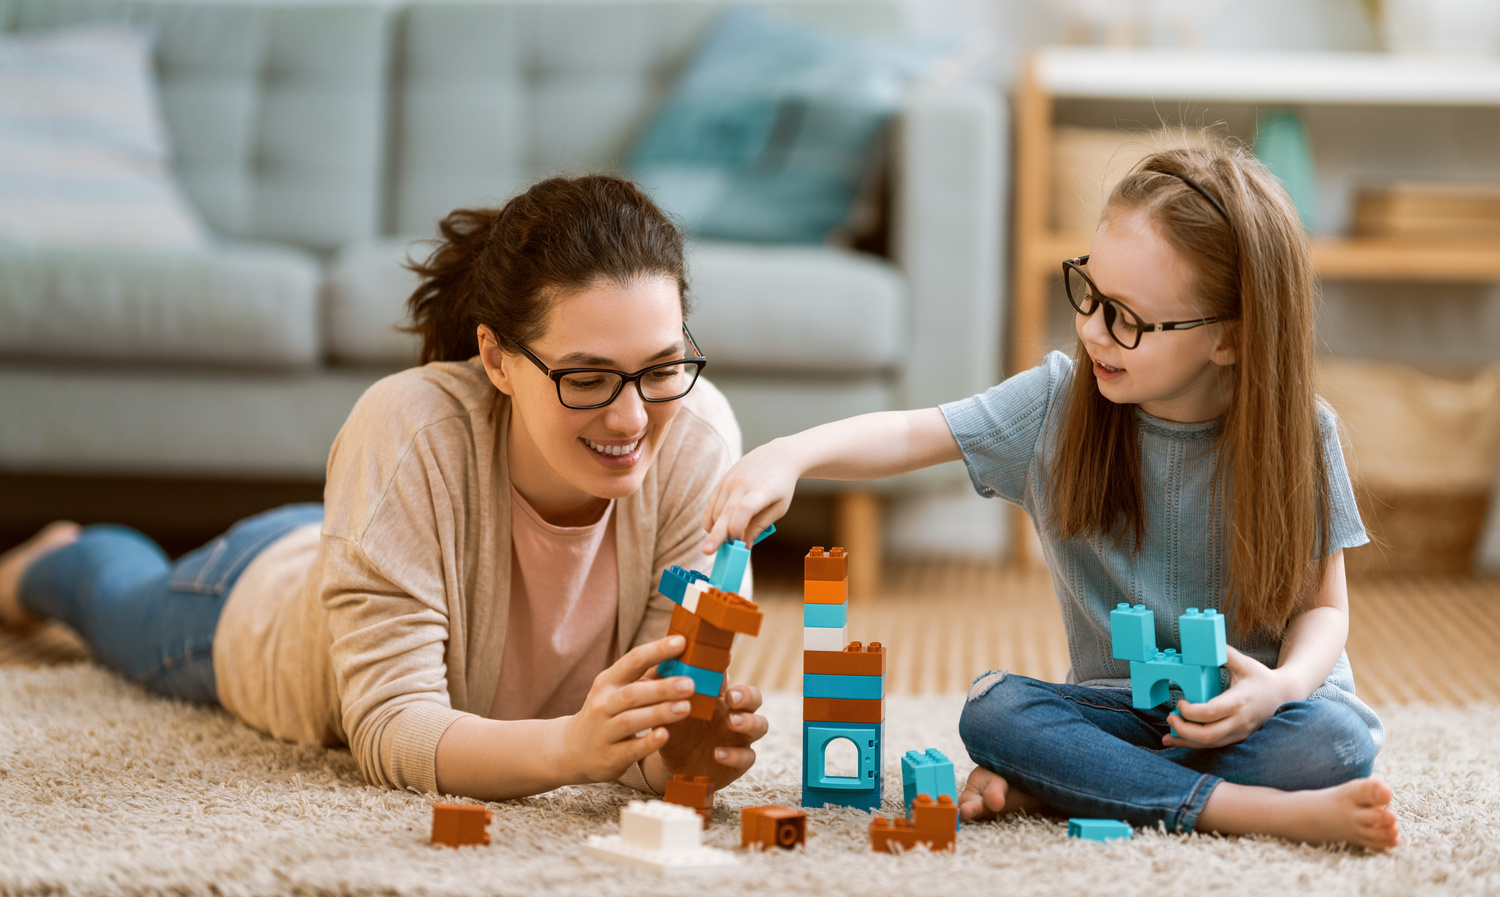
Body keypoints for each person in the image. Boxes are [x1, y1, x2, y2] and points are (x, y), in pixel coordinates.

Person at [699, 143, 1399, 851]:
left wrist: (1276, 689)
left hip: (1265, 712)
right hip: (1115, 710)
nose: (1093, 328)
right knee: (994, 709)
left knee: (1341, 739)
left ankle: (1075, 781)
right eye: (1090, 295)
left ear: (1230, 337)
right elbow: (913, 434)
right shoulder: (1056, 406)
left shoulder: (1303, 434)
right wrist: (790, 454)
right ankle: (1242, 809)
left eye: (1126, 317)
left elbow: (1323, 609)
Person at [0, 174, 767, 800]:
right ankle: (51, 557)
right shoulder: (405, 429)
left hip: (381, 534)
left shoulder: (697, 436)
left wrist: (686, 755)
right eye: (587, 377)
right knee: (107, 596)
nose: (633, 415)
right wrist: (570, 746)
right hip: (256, 596)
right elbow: (391, 726)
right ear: (496, 359)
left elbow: (647, 733)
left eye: (662, 368)